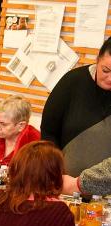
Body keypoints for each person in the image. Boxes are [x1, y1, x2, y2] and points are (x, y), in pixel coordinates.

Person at [42, 37, 111, 176]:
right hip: (65, 184)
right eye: (106, 70)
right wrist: (53, 171)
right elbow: (49, 132)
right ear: (97, 60)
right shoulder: (72, 82)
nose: (110, 78)